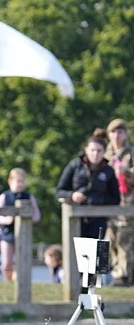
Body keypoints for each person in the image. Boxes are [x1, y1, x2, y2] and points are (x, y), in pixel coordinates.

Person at [56, 132, 120, 241]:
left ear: (104, 152)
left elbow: (116, 199)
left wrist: (98, 200)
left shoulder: (108, 171)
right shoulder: (74, 165)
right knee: (77, 252)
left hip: (98, 219)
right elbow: (59, 191)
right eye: (92, 150)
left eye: (99, 151)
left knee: (94, 253)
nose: (95, 154)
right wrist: (72, 195)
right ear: (86, 150)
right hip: (76, 218)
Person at [0, 168, 41, 282]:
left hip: (23, 233)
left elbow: (37, 216)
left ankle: (19, 282)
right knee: (7, 263)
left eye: (22, 181)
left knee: (21, 261)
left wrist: (27, 218)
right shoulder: (5, 196)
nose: (20, 184)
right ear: (10, 181)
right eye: (18, 181)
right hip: (7, 233)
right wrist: (6, 220)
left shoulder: (29, 197)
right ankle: (9, 280)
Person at [105, 118, 134, 285]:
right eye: (113, 132)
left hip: (127, 205)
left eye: (120, 132)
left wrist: (126, 172)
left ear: (126, 134)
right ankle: (117, 273)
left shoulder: (131, 154)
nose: (116, 136)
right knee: (112, 241)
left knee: (125, 240)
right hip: (109, 205)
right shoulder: (104, 154)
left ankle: (122, 276)